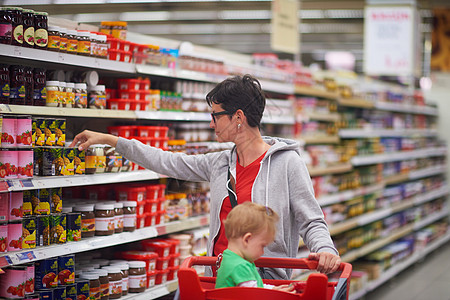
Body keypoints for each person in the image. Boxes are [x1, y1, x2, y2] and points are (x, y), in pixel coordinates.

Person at [70, 74, 341, 280]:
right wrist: (110, 140)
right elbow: (168, 161)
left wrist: (326, 250)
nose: (211, 123)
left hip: (265, 281)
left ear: (238, 117)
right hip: (221, 276)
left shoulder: (286, 163)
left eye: (215, 115)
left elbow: (311, 219)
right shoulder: (220, 163)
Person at [215, 201, 293, 292]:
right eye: (262, 246)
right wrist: (276, 294)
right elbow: (254, 294)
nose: (263, 252)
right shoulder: (240, 266)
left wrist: (273, 289)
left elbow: (254, 286)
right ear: (247, 239)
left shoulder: (230, 258)